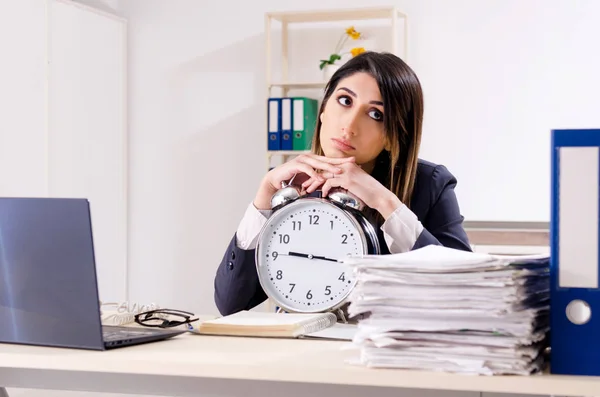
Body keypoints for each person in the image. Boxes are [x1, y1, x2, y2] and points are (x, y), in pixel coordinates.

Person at [214, 51, 471, 316]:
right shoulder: (290, 183)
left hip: (384, 351)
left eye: (375, 114)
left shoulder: (430, 183)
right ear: (324, 109)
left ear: (394, 135)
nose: (349, 126)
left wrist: (386, 203)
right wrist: (263, 197)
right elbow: (231, 303)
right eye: (345, 100)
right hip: (300, 347)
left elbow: (464, 292)